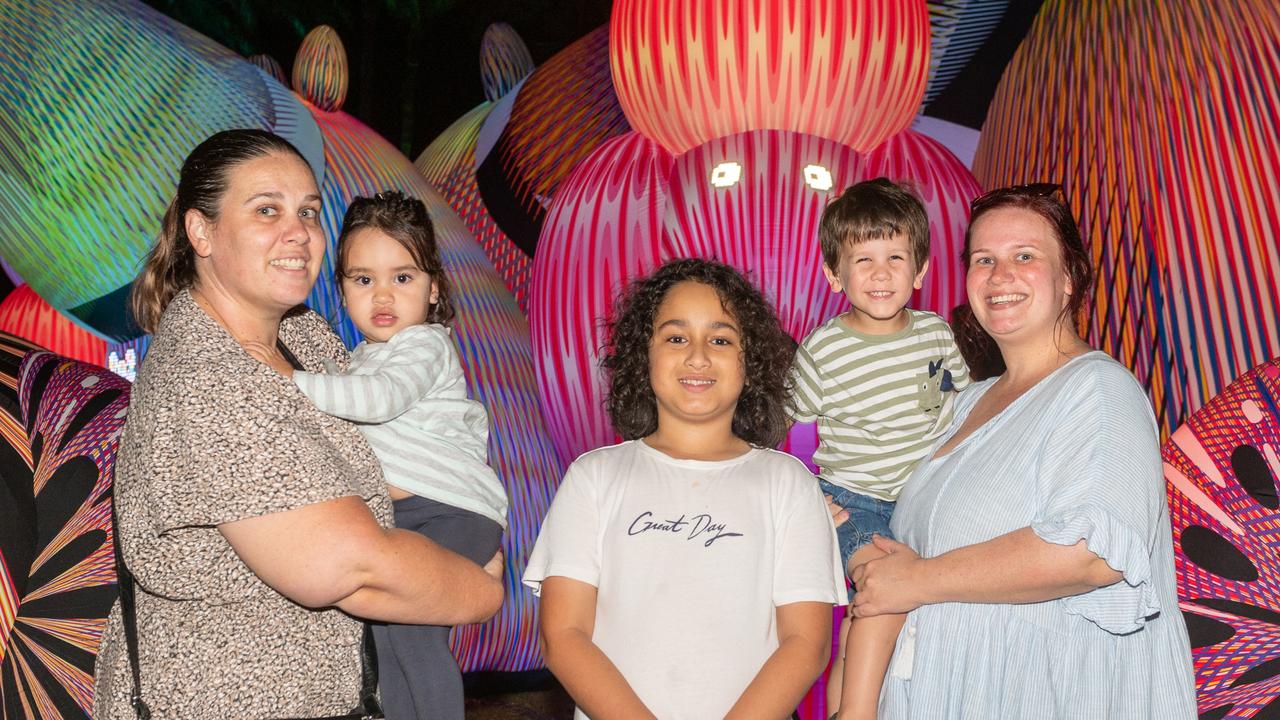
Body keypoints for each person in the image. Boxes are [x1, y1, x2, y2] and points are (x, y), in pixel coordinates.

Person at [93, 129, 504, 720]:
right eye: (267, 210)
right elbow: (346, 566)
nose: (299, 233)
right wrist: (480, 590)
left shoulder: (301, 335)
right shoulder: (210, 378)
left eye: (309, 212)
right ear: (200, 231)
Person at [850, 184, 1197, 718]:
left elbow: (1093, 550)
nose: (999, 275)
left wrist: (917, 579)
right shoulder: (964, 404)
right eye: (983, 259)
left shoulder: (1098, 389)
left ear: (1069, 279)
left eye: (1025, 256)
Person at [524, 258, 847, 719]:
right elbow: (564, 636)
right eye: (676, 337)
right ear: (643, 355)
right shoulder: (593, 476)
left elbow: (805, 644)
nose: (698, 356)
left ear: (750, 360)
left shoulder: (789, 484)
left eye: (720, 339)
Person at [282, 191, 508, 720]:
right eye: (363, 279)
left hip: (451, 510)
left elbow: (381, 401)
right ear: (341, 288)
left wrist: (286, 381)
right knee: (386, 638)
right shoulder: (362, 358)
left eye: (402, 278)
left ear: (434, 289)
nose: (382, 294)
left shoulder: (423, 346)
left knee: (412, 631)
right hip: (407, 517)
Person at [790, 178, 969, 719]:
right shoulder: (824, 348)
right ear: (833, 274)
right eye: (862, 258)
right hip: (853, 501)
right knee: (885, 591)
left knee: (867, 618)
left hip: (922, 502)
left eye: (896, 256)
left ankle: (844, 707)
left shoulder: (936, 334)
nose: (881, 272)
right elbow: (775, 428)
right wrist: (805, 494)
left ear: (920, 270)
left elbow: (964, 408)